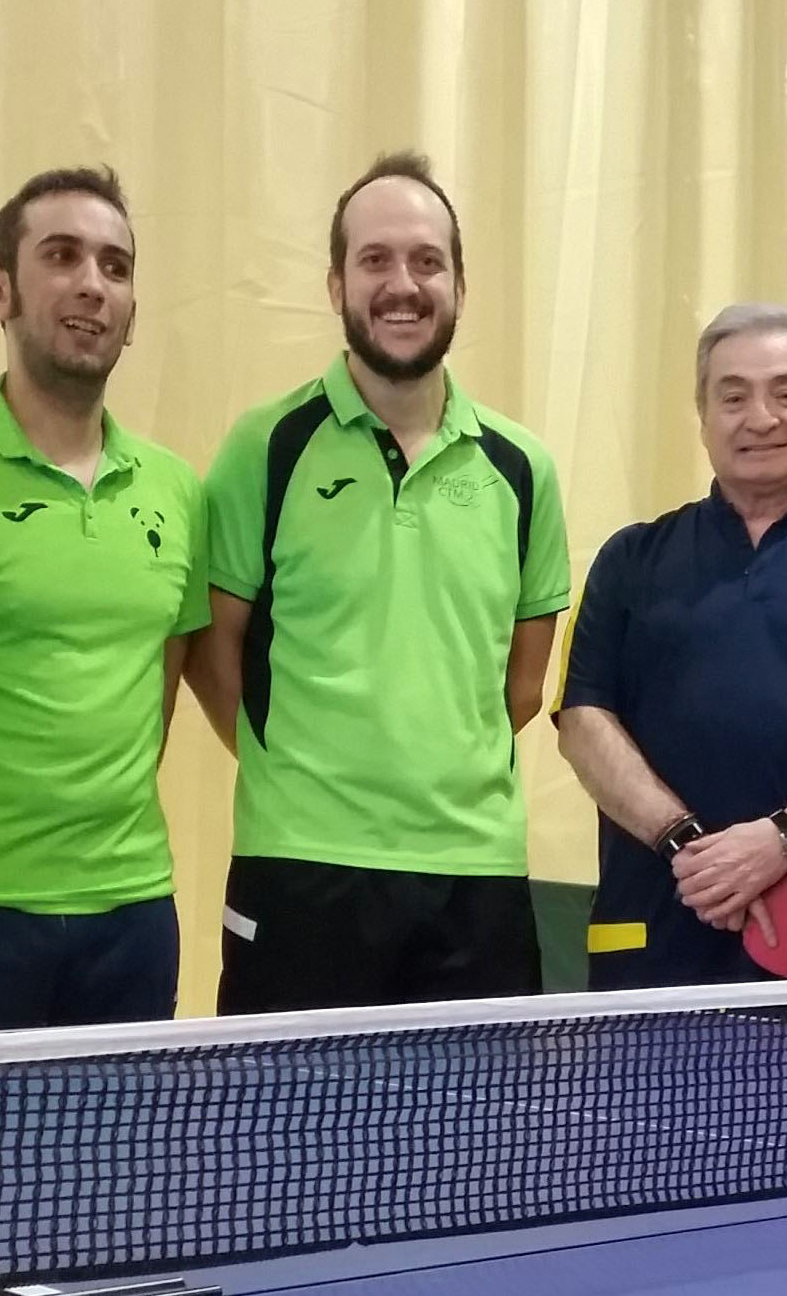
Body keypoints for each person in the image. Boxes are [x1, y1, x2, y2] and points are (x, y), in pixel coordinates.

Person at [189, 150, 570, 1011]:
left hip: (475, 878)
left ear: (460, 286)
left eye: (427, 261)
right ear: (335, 285)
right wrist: (297, 769)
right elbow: (216, 654)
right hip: (300, 870)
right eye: (375, 260)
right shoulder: (266, 446)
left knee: (478, 1144)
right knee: (282, 1140)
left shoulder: (523, 469)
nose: (403, 284)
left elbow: (520, 687)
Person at [0, 167, 208, 1032]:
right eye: (60, 256)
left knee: (118, 1171)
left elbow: (157, 695)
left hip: (133, 916)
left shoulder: (177, 492)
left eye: (115, 266)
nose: (92, 284)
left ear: (132, 313)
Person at [553, 303, 787, 988]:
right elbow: (581, 720)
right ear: (702, 415)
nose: (760, 417)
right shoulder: (632, 557)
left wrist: (785, 839)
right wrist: (687, 846)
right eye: (733, 396)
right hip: (654, 947)